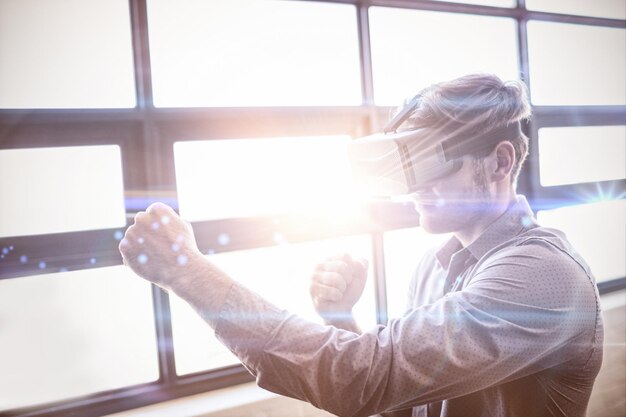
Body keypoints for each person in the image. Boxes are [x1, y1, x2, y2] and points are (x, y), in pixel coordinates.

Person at [119, 74, 603, 417]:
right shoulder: (434, 268)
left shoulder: (543, 276)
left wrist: (189, 273)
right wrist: (340, 319)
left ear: (500, 163)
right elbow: (393, 399)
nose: (412, 187)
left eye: (432, 165)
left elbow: (360, 379)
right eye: (405, 167)